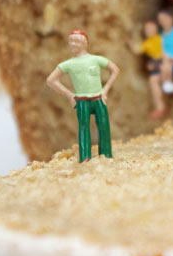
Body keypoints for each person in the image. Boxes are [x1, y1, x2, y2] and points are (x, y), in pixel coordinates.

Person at [46, 30, 120, 162]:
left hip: (98, 99)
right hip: (82, 101)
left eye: (76, 41)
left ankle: (106, 154)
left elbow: (115, 70)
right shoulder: (67, 64)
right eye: (71, 41)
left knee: (104, 126)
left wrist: (105, 90)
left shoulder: (96, 59)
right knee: (83, 129)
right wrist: (69, 95)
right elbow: (51, 80)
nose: (72, 44)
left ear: (85, 43)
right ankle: (85, 157)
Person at [129, 20, 166, 120]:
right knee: (153, 81)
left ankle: (160, 106)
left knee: (156, 80)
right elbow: (136, 49)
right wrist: (132, 37)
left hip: (163, 63)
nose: (149, 31)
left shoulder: (161, 39)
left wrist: (158, 63)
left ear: (156, 29)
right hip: (156, 65)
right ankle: (160, 106)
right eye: (146, 29)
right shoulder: (147, 43)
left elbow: (166, 52)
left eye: (151, 28)